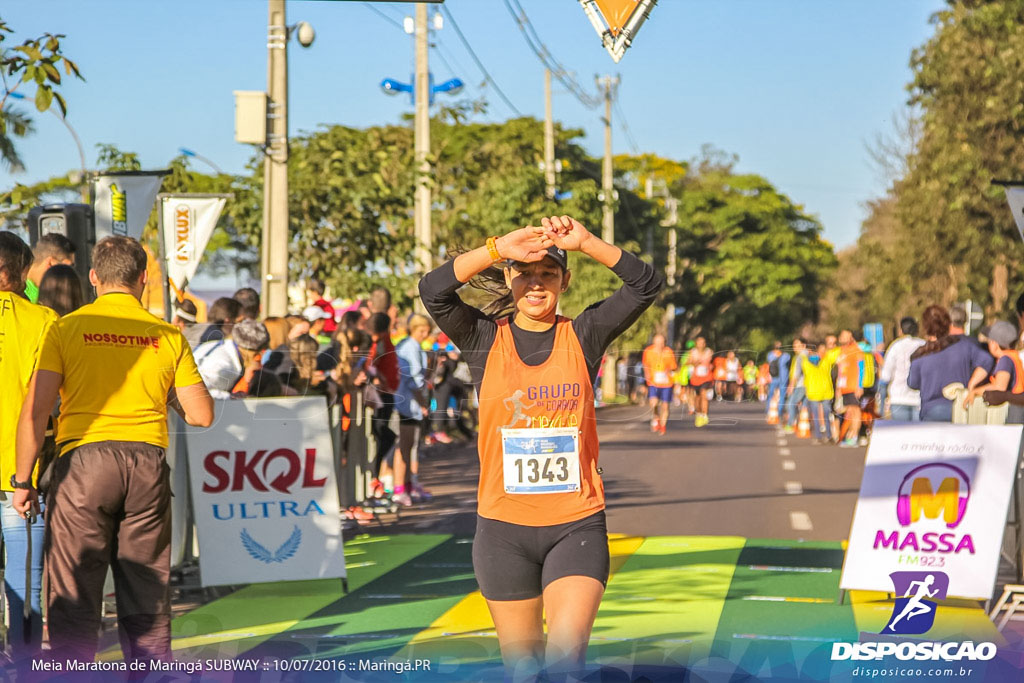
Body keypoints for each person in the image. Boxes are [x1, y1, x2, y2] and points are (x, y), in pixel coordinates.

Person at [420, 216, 660, 678]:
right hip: (503, 531)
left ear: (565, 281)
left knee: (566, 663)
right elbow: (433, 290)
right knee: (524, 669)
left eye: (548, 274)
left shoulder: (584, 334)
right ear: (509, 278)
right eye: (524, 273)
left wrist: (587, 242)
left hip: (576, 526)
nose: (535, 284)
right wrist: (498, 247)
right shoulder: (483, 338)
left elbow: (646, 284)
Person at [13, 235, 213, 664]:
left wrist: (22, 480)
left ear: (93, 277)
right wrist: (165, 393)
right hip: (146, 464)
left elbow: (35, 411)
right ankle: (150, 672)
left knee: (73, 589)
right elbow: (201, 415)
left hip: (83, 464)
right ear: (143, 278)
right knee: (146, 590)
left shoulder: (64, 329)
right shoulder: (167, 335)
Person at [0, 232, 56, 660]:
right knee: (25, 584)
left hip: (19, 480)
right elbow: (42, 407)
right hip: (20, 478)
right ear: (18, 273)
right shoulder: (43, 322)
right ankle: (25, 667)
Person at [908, 305, 994, 422]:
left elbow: (913, 383)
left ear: (925, 327)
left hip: (931, 411)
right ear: (948, 323)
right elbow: (987, 361)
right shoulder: (964, 346)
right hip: (960, 408)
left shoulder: (921, 354)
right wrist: (972, 384)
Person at [394, 314, 433, 505]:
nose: (424, 334)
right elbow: (413, 379)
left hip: (410, 404)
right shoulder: (410, 346)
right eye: (421, 330)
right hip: (406, 403)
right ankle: (399, 487)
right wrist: (422, 402)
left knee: (411, 446)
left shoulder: (412, 346)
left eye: (426, 330)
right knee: (403, 446)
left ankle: (409, 483)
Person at [194, 318, 271, 399]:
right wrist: (231, 397)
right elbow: (195, 391)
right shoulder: (225, 367)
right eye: (259, 353)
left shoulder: (219, 346)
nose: (259, 358)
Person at [963, 321, 1023, 423]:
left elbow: (999, 387)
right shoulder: (1014, 356)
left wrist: (975, 391)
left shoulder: (1005, 360)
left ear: (995, 344)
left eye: (990, 341)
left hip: (1015, 411)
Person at [881, 317, 925, 422]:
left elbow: (885, 376)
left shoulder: (895, 346)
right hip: (919, 399)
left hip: (898, 398)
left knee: (901, 436)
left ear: (900, 330)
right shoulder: (923, 345)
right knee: (918, 436)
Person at [24, 233, 75, 304]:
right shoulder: (36, 300)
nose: (69, 275)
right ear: (50, 264)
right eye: (65, 268)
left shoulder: (12, 287)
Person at [835, 330, 866, 447]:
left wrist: (859, 385)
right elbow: (840, 371)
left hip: (853, 386)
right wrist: (838, 387)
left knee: (855, 411)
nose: (842, 337)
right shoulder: (842, 351)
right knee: (849, 411)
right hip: (844, 387)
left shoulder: (856, 350)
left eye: (844, 335)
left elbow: (861, 368)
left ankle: (854, 437)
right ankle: (850, 436)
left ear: (851, 337)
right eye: (841, 335)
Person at [642, 333, 676, 435]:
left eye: (661, 343)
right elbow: (645, 364)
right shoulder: (648, 351)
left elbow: (674, 366)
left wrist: (668, 369)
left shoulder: (669, 352)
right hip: (653, 382)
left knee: (665, 406)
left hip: (666, 383)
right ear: (654, 342)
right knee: (654, 403)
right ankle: (656, 417)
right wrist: (647, 374)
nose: (659, 345)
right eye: (657, 342)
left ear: (664, 343)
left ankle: (663, 425)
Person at [803, 342, 835, 444]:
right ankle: (828, 436)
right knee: (826, 415)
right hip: (826, 391)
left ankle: (819, 436)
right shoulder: (826, 360)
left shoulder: (805, 362)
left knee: (817, 416)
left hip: (814, 392)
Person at [688, 337, 714, 427]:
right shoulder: (692, 352)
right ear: (696, 344)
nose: (701, 344)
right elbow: (688, 362)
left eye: (703, 343)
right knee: (697, 398)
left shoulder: (709, 351)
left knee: (704, 394)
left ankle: (705, 415)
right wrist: (695, 363)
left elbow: (711, 362)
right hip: (695, 378)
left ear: (705, 344)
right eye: (699, 343)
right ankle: (698, 413)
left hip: (706, 378)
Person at [784, 338, 808, 432]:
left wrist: (791, 386)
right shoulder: (808, 355)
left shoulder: (801, 357)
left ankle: (791, 424)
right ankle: (802, 425)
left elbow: (796, 373)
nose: (795, 348)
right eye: (794, 346)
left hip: (801, 385)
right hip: (807, 384)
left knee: (790, 404)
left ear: (804, 346)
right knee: (804, 406)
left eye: (798, 346)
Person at [765, 341, 790, 420]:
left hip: (774, 377)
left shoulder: (770, 355)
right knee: (781, 395)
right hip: (782, 377)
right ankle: (779, 412)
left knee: (771, 395)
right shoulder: (786, 356)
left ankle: (769, 411)